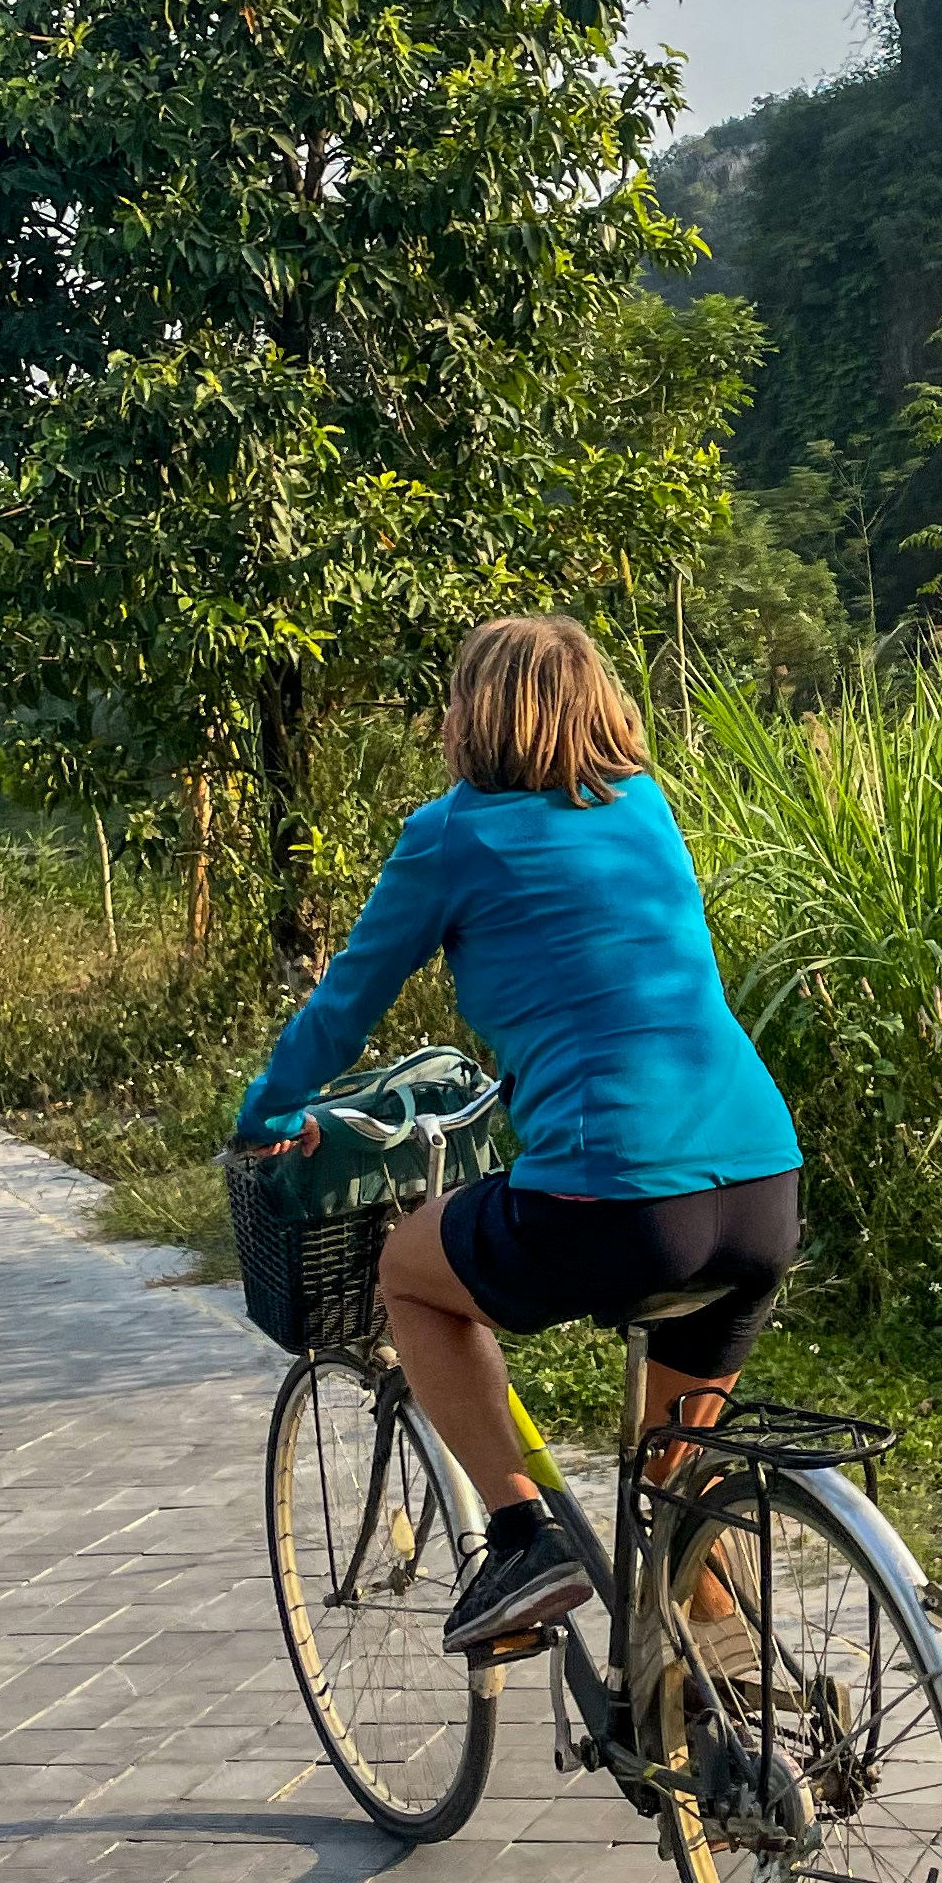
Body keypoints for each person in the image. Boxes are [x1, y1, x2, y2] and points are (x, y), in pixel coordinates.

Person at [231, 613, 800, 1660]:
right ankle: (731, 1704)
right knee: (675, 1480)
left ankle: (521, 1537)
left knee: (409, 1273)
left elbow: (344, 1010)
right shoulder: (646, 806)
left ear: (477, 716)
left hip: (621, 1196)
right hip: (762, 1186)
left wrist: (266, 1113)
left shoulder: (451, 835)